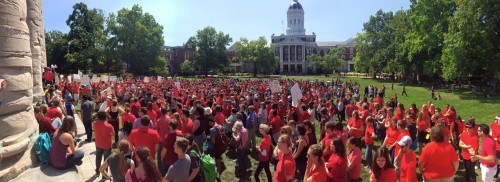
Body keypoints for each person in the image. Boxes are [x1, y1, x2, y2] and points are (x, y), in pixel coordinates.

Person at [93, 111, 114, 176]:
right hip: (107, 145)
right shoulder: (109, 126)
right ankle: (104, 174)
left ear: (98, 117)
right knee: (106, 160)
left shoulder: (94, 123)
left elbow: (94, 129)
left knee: (98, 158)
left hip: (98, 144)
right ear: (105, 117)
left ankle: (97, 171)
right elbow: (113, 134)